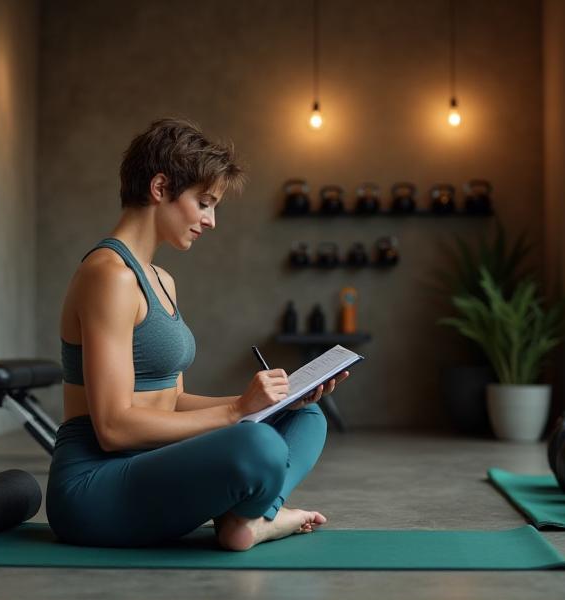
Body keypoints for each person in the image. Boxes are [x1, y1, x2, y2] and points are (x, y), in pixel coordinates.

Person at [46, 118, 349, 551]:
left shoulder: (162, 281)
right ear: (159, 187)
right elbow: (113, 427)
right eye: (204, 203)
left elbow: (172, 402)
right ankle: (255, 517)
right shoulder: (108, 276)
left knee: (304, 415)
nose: (210, 221)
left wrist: (270, 401)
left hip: (154, 466)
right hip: (95, 486)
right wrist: (237, 413)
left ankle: (246, 521)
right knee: (256, 443)